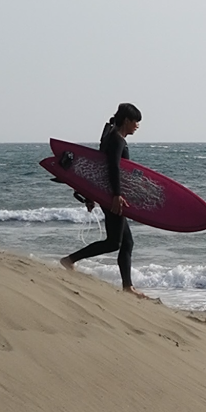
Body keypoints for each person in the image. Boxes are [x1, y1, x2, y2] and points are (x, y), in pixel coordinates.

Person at [60, 103, 147, 299]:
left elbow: (98, 169)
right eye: (136, 122)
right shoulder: (116, 140)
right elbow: (112, 168)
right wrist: (116, 195)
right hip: (113, 198)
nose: (137, 126)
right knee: (114, 242)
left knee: (127, 243)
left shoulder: (111, 136)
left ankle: (127, 287)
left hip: (108, 195)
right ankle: (70, 259)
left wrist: (91, 195)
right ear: (127, 120)